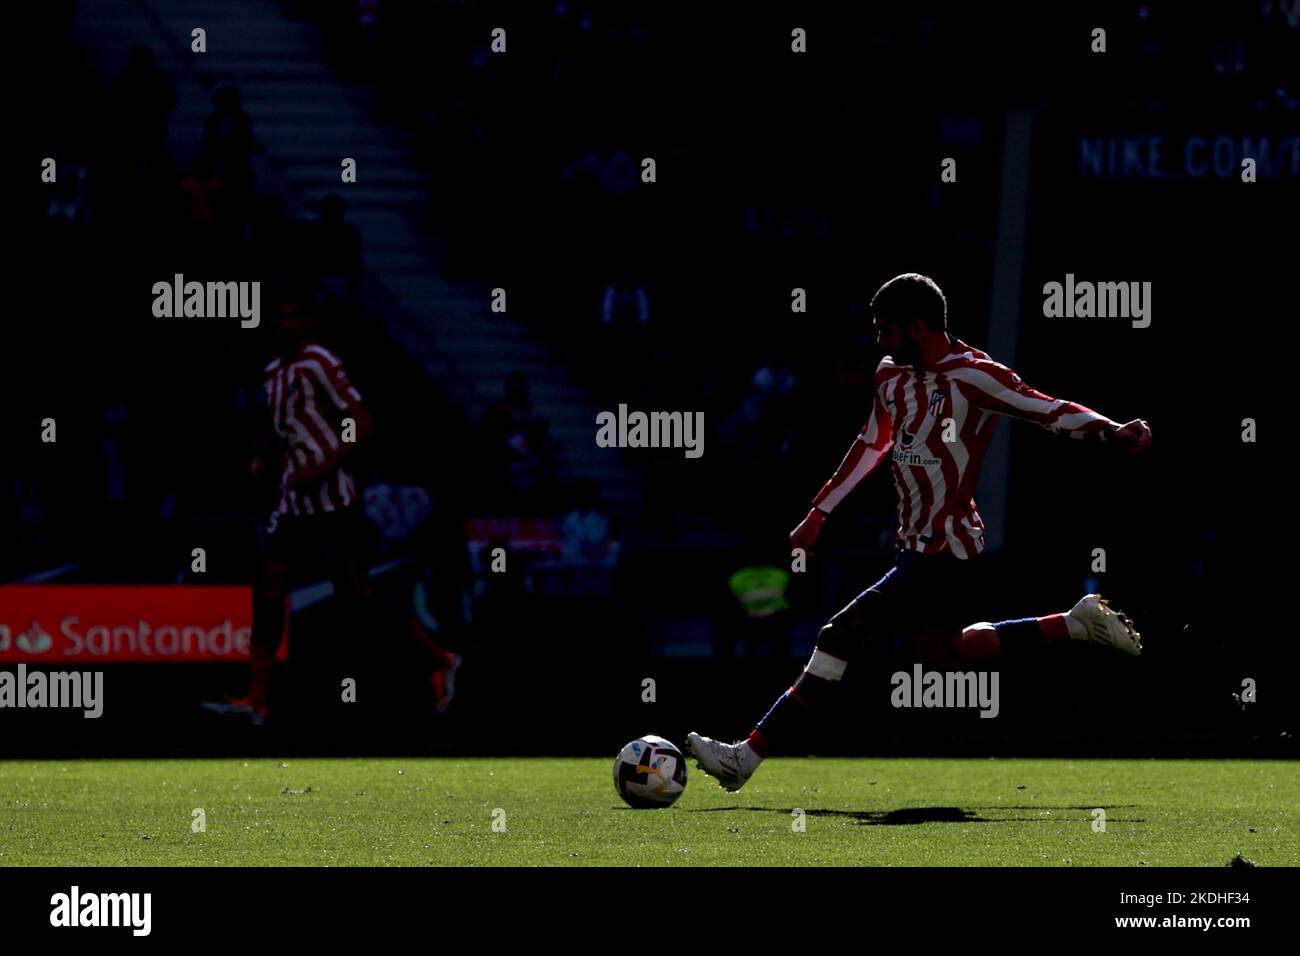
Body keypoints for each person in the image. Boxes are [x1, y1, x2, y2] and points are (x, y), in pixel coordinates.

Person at [686, 273, 1152, 790]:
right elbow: (871, 444)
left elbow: (1046, 409)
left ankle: (744, 757)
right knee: (947, 653)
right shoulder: (890, 374)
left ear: (920, 327)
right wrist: (820, 512)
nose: (879, 341)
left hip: (945, 548)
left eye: (887, 331)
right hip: (913, 545)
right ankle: (1072, 624)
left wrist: (1111, 428)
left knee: (838, 634)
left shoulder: (975, 376)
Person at [203, 297, 460, 723]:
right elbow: (280, 430)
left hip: (333, 498)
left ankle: (440, 659)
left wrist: (322, 465)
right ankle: (256, 700)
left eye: (293, 315)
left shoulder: (319, 361)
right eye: (279, 316)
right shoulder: (270, 374)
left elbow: (361, 422)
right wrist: (264, 457)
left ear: (306, 322)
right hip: (292, 500)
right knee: (268, 586)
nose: (286, 323)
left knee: (359, 596)